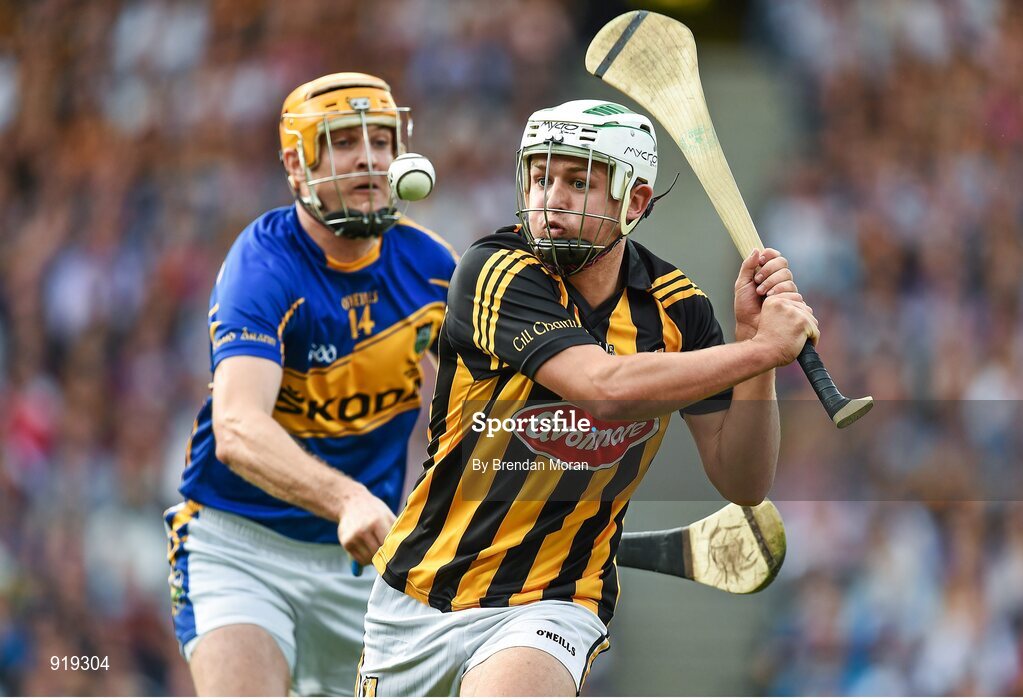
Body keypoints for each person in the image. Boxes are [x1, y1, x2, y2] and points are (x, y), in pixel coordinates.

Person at [358, 100, 818, 696]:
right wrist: (759, 353)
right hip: (418, 594)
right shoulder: (494, 271)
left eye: (579, 183)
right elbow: (603, 390)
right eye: (541, 177)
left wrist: (760, 356)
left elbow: (743, 481)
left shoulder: (679, 310)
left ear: (636, 202)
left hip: (553, 603)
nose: (553, 199)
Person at [162, 72, 458, 696]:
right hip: (240, 547)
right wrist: (347, 498)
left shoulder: (434, 269)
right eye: (345, 142)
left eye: (381, 140)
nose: (371, 159)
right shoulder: (263, 264)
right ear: (298, 167)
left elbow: (473, 412)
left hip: (366, 566)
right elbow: (237, 429)